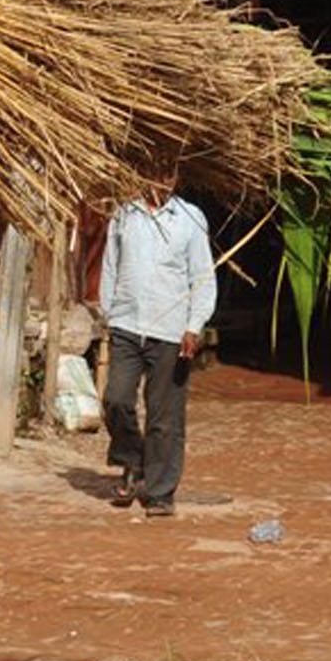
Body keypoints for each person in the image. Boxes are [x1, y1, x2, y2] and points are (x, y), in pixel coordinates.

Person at [98, 175, 216, 518]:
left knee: (164, 416)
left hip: (171, 330)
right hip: (127, 325)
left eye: (168, 173)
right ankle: (133, 461)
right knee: (116, 399)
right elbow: (110, 266)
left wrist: (194, 326)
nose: (160, 181)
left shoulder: (190, 218)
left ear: (176, 177)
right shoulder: (124, 216)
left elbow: (203, 277)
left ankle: (161, 491)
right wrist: (109, 312)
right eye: (154, 172)